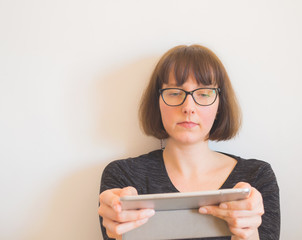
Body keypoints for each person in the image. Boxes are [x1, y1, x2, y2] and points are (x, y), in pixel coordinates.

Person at [98, 45, 280, 240]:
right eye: (175, 92)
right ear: (157, 102)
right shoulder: (123, 177)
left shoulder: (258, 177)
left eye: (204, 93)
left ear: (220, 103)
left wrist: (250, 235)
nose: (188, 107)